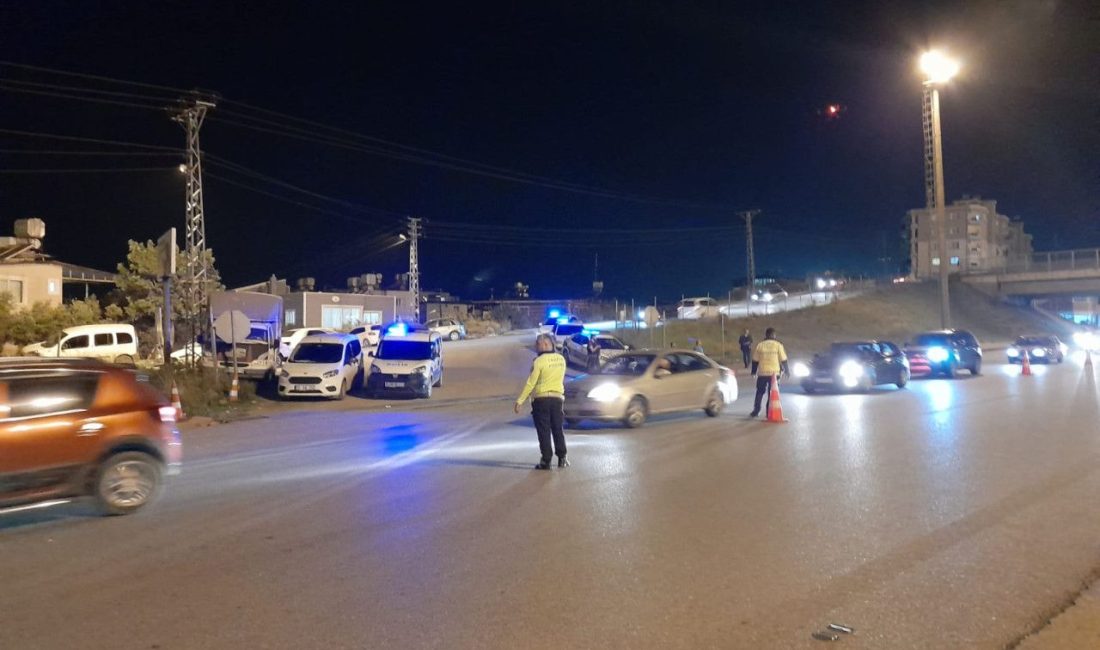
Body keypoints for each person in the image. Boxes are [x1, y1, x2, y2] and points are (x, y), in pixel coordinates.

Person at [515, 333, 569, 469]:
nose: (537, 347)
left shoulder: (538, 361)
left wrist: (520, 400)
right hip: (557, 400)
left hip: (541, 400)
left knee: (544, 431)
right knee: (557, 429)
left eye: (538, 345)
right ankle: (562, 458)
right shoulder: (561, 359)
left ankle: (546, 460)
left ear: (543, 345)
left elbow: (530, 383)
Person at [750, 327, 789, 418]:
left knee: (759, 392)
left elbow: (755, 360)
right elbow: (784, 360)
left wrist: (753, 372)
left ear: (766, 335)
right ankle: (768, 412)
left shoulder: (760, 345)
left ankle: (756, 410)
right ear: (774, 335)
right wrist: (787, 371)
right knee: (772, 394)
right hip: (774, 374)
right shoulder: (778, 345)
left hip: (762, 373)